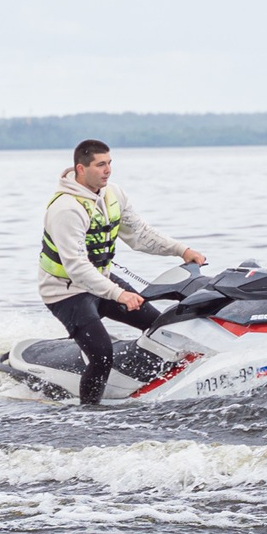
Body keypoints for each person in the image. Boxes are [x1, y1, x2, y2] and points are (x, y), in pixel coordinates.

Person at [37, 138, 207, 406]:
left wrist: (181, 250)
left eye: (109, 163)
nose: (108, 170)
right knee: (102, 355)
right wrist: (119, 294)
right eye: (100, 165)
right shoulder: (66, 209)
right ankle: (88, 413)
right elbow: (77, 268)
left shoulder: (113, 194)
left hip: (101, 281)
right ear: (81, 169)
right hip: (66, 292)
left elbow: (140, 235)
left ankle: (153, 386)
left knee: (160, 328)